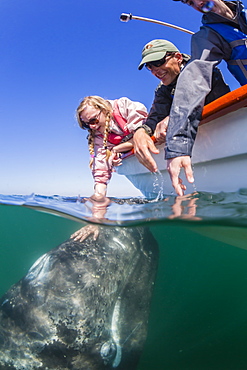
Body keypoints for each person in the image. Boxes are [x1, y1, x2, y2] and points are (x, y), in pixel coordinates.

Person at [133, 39, 230, 195]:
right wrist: (140, 132)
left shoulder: (202, 67)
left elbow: (201, 98)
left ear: (178, 57)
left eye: (158, 62)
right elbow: (155, 116)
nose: (154, 71)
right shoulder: (163, 89)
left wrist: (173, 119)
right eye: (149, 67)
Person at [76, 95, 148, 198]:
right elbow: (101, 169)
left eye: (93, 120)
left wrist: (117, 149)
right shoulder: (98, 137)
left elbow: (142, 134)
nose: (92, 126)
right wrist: (99, 198)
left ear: (104, 110)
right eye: (86, 125)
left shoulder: (123, 107)